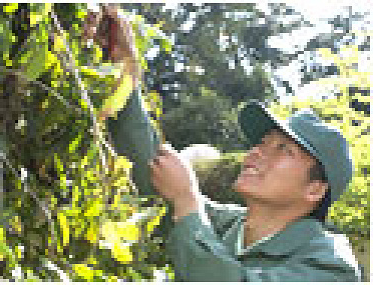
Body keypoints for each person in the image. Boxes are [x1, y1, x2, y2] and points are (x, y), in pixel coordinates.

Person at [97, 5, 363, 282]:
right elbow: (153, 172)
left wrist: (186, 200)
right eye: (262, 142)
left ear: (315, 189)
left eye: (283, 149)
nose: (257, 152)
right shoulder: (224, 224)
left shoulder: (330, 265)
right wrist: (123, 67)